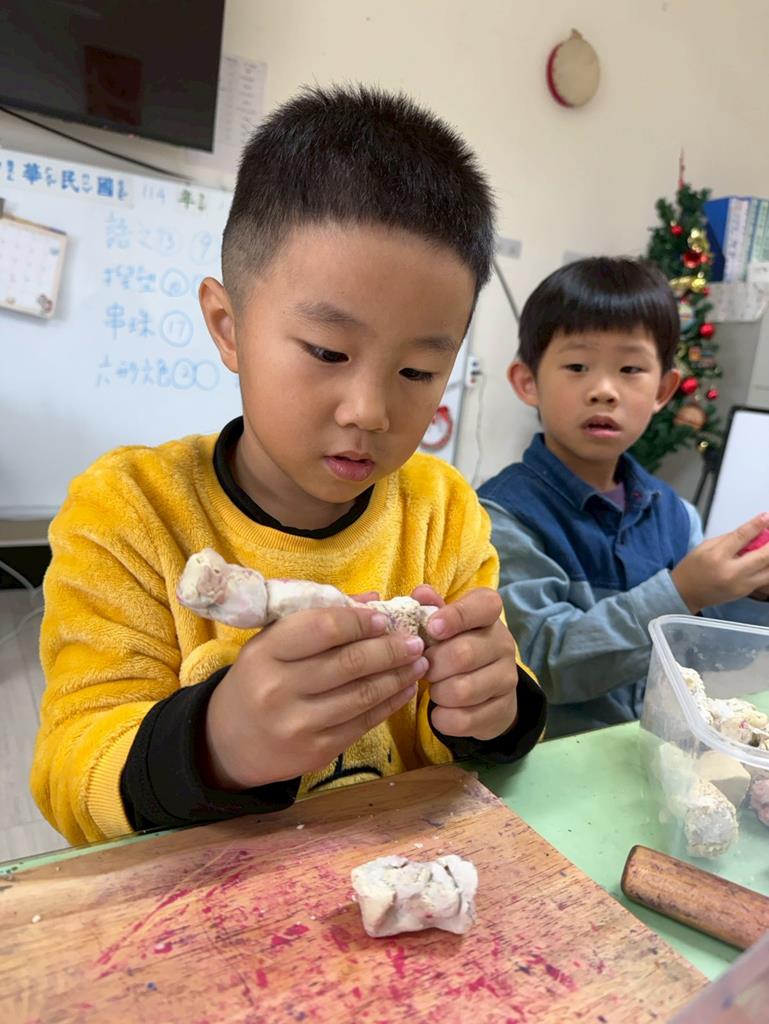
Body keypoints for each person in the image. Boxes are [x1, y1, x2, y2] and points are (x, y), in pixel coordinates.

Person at [32, 84, 546, 845]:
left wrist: (494, 707)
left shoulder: (440, 512)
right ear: (227, 326)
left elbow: (490, 708)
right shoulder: (130, 512)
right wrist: (217, 745)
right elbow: (71, 770)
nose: (369, 410)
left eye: (417, 372)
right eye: (329, 352)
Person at [478, 257, 769, 739]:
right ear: (528, 382)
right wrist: (681, 592)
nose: (604, 391)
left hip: (651, 753)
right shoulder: (502, 516)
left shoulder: (676, 515)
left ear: (663, 390)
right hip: (551, 763)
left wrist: (751, 591)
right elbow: (540, 666)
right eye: (577, 366)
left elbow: (710, 653)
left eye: (630, 368)